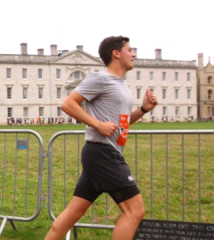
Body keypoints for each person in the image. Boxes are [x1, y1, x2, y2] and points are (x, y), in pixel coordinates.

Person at [44, 36, 158, 240]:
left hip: (100, 153)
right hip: (103, 153)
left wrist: (142, 109)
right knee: (135, 211)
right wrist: (97, 124)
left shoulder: (121, 85)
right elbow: (68, 104)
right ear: (116, 53)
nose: (133, 54)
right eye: (129, 50)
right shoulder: (100, 79)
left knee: (74, 212)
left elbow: (120, 124)